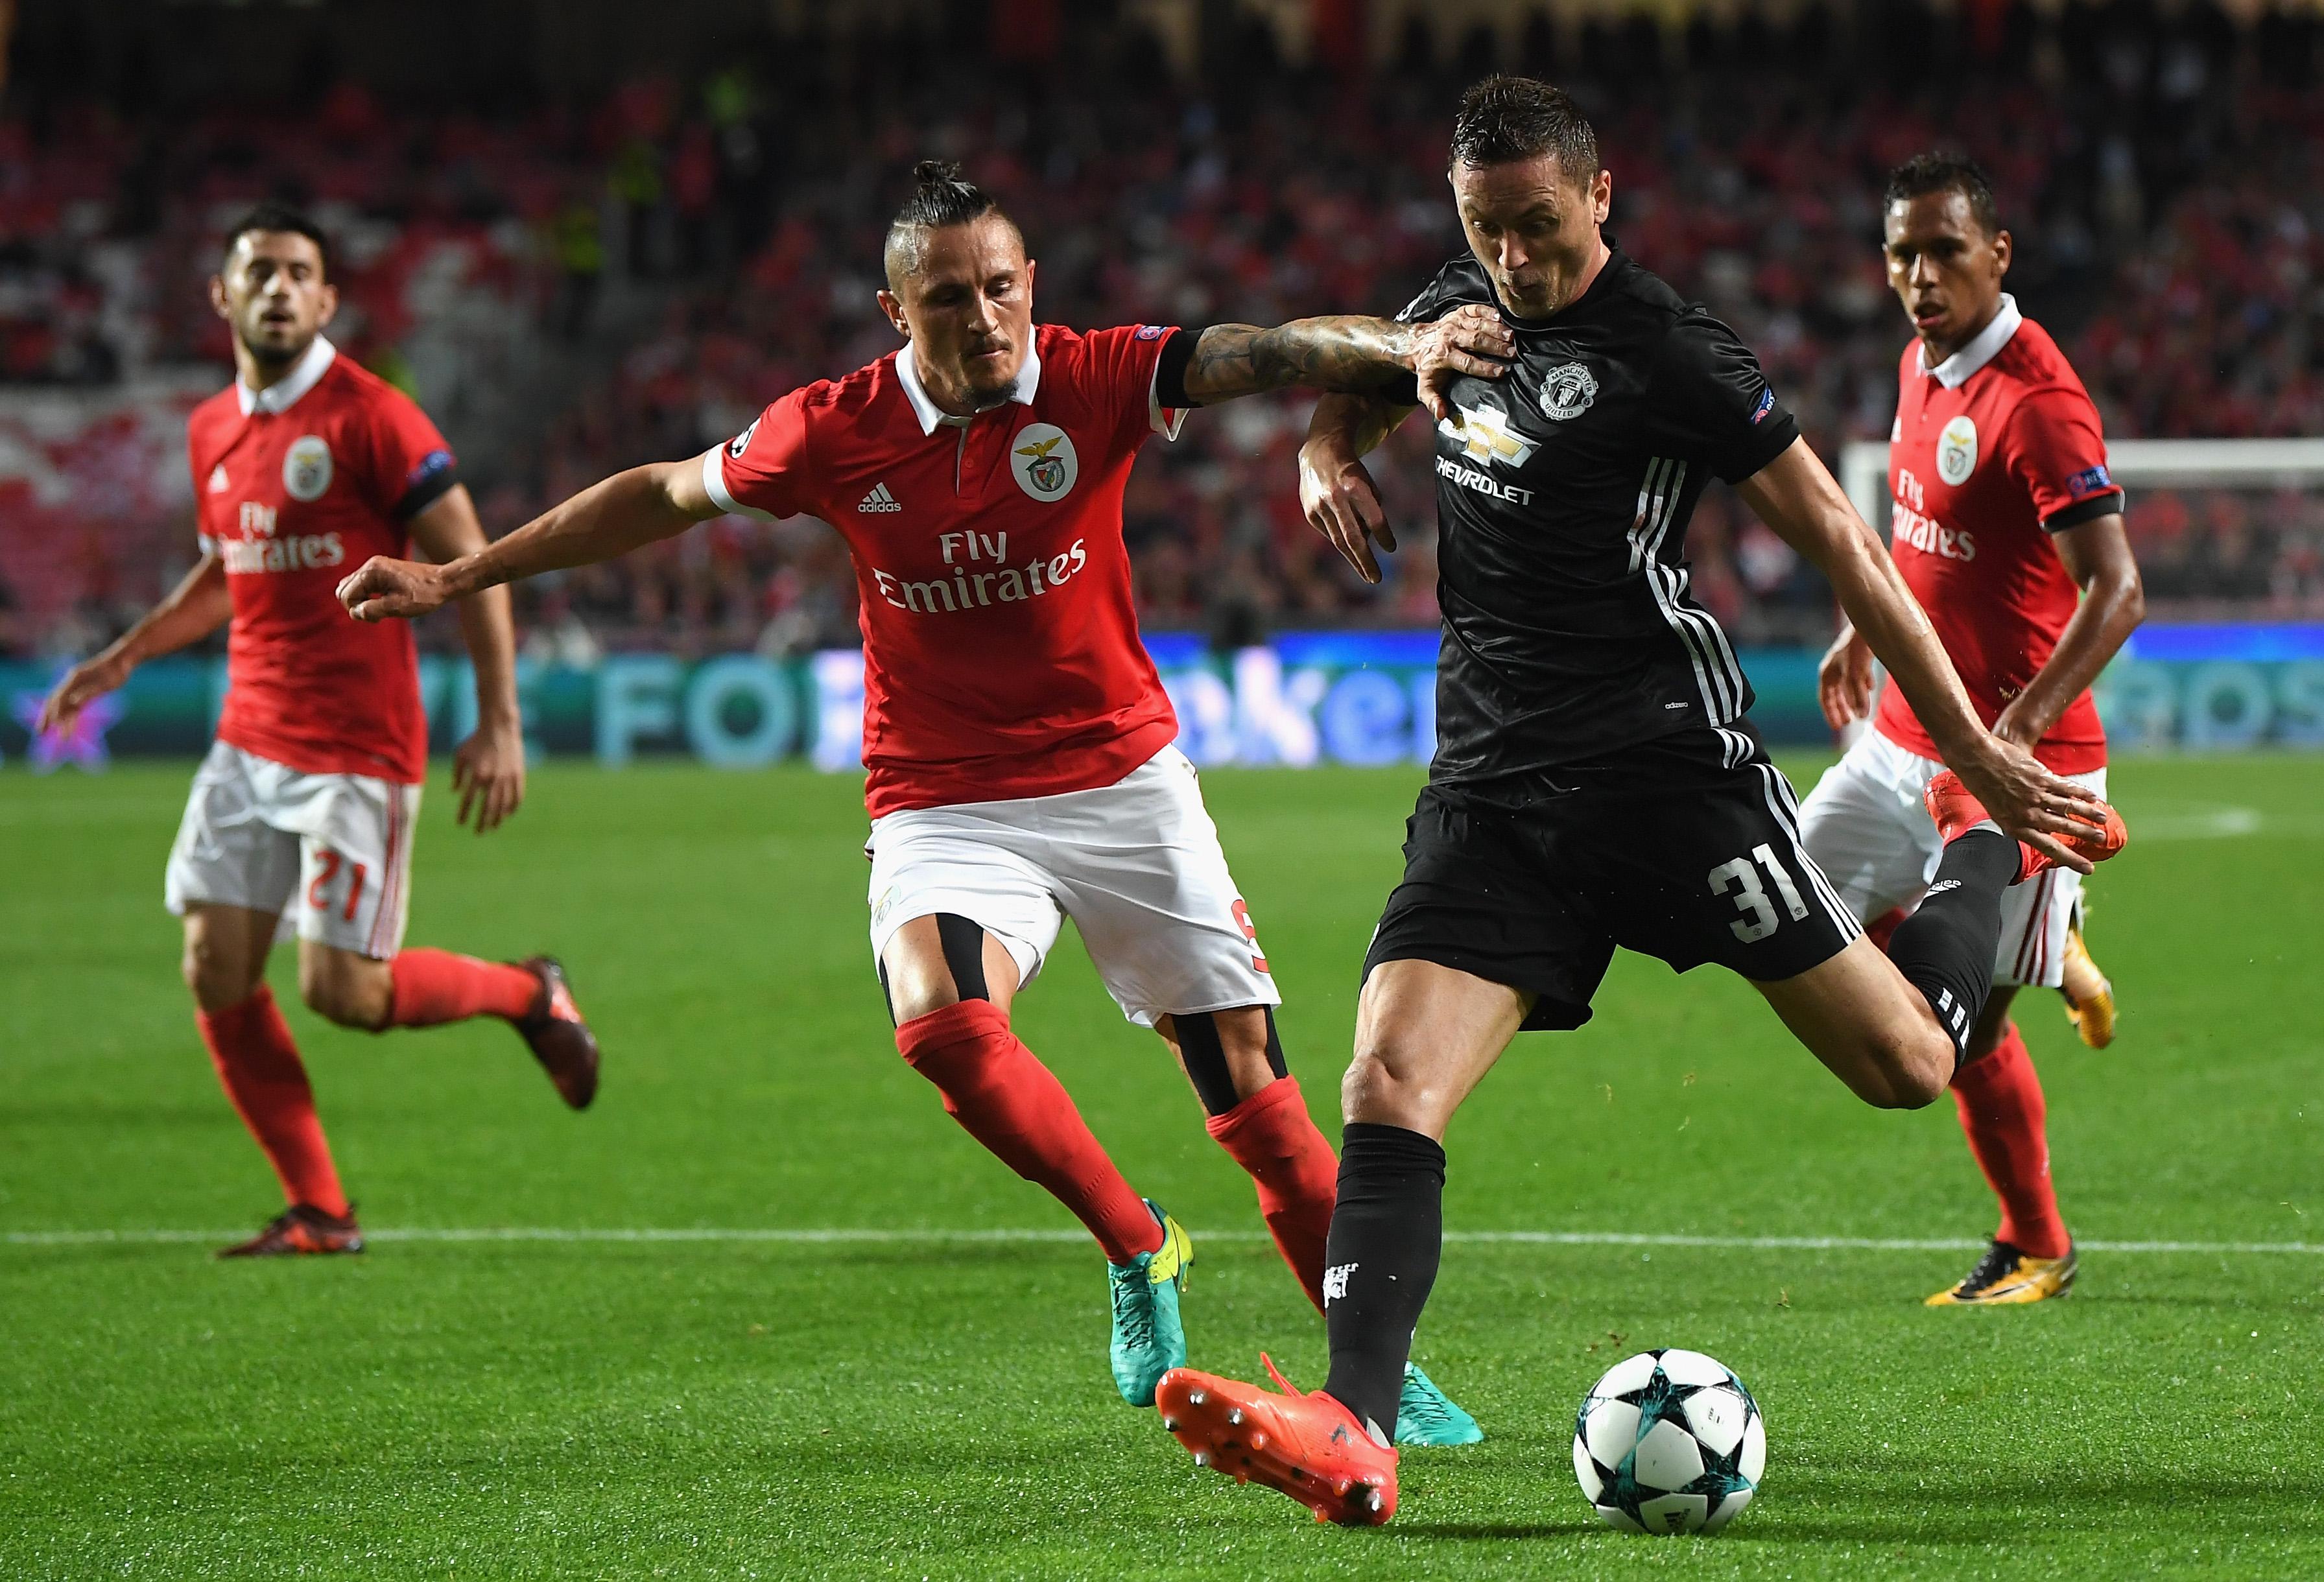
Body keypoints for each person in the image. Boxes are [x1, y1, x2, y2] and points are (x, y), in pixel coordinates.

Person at [335, 162, 1509, 1442]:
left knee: (1264, 1117)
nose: (985, 315)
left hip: (1122, 781)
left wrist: (1402, 344)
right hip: (944, 798)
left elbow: (1273, 349)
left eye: (1002, 286)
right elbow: (662, 494)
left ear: (1031, 287)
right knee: (942, 1024)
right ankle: (1140, 1243)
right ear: (898, 312)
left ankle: (1373, 1376)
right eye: (950, 296)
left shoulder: (1095, 372)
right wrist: (464, 573)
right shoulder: (831, 428)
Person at [1150, 77, 2125, 1526]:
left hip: (1672, 777)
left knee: (1907, 1065)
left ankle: (1988, 857)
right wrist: (1323, 446)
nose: (1513, 262)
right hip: (1492, 788)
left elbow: (1850, 545)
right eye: (1486, 230)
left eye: (1538, 226)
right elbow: (1373, 363)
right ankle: (1354, 1424)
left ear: (1598, 197)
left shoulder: (1672, 350)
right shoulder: (1457, 301)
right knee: (1382, 1081)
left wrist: (1979, 761)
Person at [38, 206, 601, 1260]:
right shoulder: (213, 428)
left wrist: (500, 721)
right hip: (246, 736)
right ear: (224, 296)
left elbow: (473, 563)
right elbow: (229, 571)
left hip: (356, 746)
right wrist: (128, 653)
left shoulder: (375, 418)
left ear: (328, 298)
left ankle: (531, 993)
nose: (280, 289)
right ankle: (321, 1211)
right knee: (214, 969)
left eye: (300, 272)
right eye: (260, 272)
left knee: (343, 992)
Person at [1800, 154, 2143, 1307]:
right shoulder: (1918, 361)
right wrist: (1865, 624)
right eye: (1901, 251)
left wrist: (2013, 732)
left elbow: (2120, 591)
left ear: (1999, 254)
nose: (1919, 273)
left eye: (1945, 249)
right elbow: (1914, 534)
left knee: (1956, 1037)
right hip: (1900, 737)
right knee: (1783, 904)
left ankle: (2038, 1242)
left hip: (2020, 771)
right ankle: (2050, 943)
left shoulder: (2039, 401)